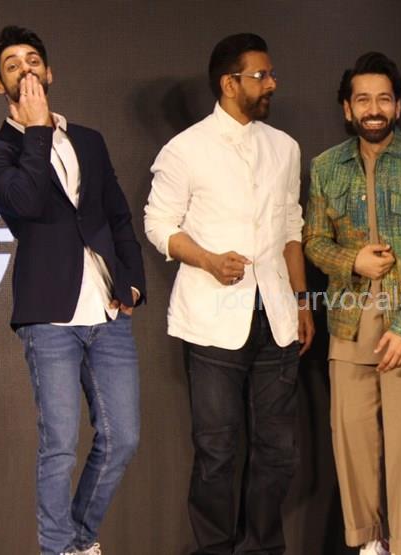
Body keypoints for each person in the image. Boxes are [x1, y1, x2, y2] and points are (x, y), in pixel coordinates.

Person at [0, 26, 146, 555]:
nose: (25, 70)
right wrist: (36, 130)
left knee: (122, 438)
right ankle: (57, 549)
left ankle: (78, 541)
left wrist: (133, 283)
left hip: (108, 312)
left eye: (33, 61)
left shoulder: (89, 140)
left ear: (49, 72)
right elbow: (25, 203)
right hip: (49, 316)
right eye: (12, 66)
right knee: (60, 448)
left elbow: (117, 215)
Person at [144, 33, 313, 555]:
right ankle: (214, 548)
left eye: (271, 74)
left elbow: (291, 226)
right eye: (261, 75)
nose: (272, 83)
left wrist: (302, 300)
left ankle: (262, 547)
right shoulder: (185, 149)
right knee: (216, 452)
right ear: (229, 83)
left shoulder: (285, 147)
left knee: (277, 452)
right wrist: (208, 260)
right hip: (212, 320)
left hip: (276, 318)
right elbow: (157, 224)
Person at [303, 52, 401, 555]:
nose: (374, 109)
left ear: (398, 106)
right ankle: (370, 546)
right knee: (353, 447)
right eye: (363, 100)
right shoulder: (325, 167)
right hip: (349, 326)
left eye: (383, 99)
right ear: (347, 108)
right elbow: (313, 241)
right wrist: (354, 261)